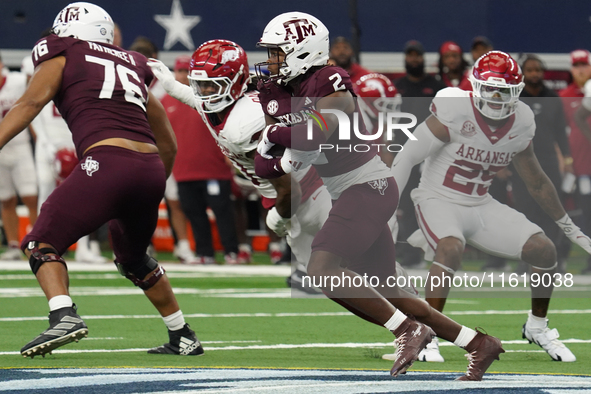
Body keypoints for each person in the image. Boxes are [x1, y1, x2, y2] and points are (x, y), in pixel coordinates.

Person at [252, 11, 504, 381]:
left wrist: (276, 138)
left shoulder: (330, 81)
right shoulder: (276, 91)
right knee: (394, 292)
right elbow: (264, 168)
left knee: (322, 269)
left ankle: (407, 331)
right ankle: (478, 343)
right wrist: (282, 147)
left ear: (302, 51)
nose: (271, 61)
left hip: (368, 186)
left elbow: (311, 138)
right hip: (350, 192)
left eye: (277, 52)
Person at [0, 2, 203, 358]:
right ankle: (183, 335)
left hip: (108, 161)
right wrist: (150, 181)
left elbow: (29, 104)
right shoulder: (132, 63)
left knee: (40, 242)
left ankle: (63, 314)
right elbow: (167, 141)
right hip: (150, 168)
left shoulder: (64, 51)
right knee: (134, 260)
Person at [392, 50, 591, 363]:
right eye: (490, 89)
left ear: (517, 91)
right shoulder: (455, 110)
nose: (497, 98)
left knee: (545, 250)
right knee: (451, 247)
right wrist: (387, 212)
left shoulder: (522, 120)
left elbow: (536, 180)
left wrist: (569, 226)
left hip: (481, 203)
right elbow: (406, 157)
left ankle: (537, 326)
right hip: (437, 197)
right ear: (475, 86)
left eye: (505, 92)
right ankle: (424, 330)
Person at [512, 55, 573, 273]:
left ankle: (550, 260)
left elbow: (561, 133)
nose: (535, 74)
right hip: (520, 162)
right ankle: (525, 259)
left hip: (548, 162)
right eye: (530, 70)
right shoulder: (515, 98)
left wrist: (567, 159)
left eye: (538, 70)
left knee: (551, 211)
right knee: (525, 212)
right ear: (522, 73)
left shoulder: (553, 98)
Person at [394, 40, 446, 269]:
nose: (414, 59)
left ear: (424, 58)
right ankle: (410, 252)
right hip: (404, 152)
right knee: (404, 203)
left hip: (431, 154)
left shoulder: (435, 85)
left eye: (418, 55)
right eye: (410, 55)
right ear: (405, 59)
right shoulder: (397, 86)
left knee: (432, 203)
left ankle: (437, 251)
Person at [0, 54, 39, 261]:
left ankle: (39, 242)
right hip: (1, 151)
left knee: (31, 196)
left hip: (20, 145)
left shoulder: (16, 81)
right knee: (6, 199)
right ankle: (14, 245)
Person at [563, 50, 591, 274]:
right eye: (577, 65)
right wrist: (565, 159)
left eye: (584, 64)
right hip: (578, 167)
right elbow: (559, 132)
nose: (581, 69)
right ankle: (563, 258)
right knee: (579, 213)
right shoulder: (564, 96)